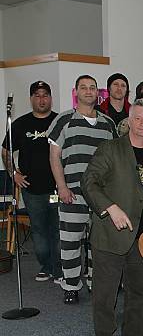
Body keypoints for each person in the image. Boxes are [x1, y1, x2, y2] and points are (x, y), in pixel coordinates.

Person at [81, 98, 143, 336]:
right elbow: (88, 183)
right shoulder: (109, 149)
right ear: (129, 120)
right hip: (110, 237)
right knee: (104, 296)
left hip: (142, 239)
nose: (142, 124)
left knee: (139, 293)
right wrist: (109, 208)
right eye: (138, 118)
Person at [47, 75, 118, 304]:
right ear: (76, 92)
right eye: (83, 87)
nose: (88, 91)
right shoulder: (64, 120)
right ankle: (70, 285)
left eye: (92, 88)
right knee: (70, 242)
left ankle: (94, 282)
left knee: (97, 244)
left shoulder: (108, 123)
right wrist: (62, 187)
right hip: (72, 194)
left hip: (100, 197)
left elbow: (115, 160)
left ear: (99, 93)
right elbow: (55, 156)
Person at [1, 81, 60, 282]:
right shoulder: (20, 124)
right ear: (31, 99)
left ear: (50, 98)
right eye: (37, 95)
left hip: (57, 190)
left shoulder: (60, 121)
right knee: (40, 232)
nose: (41, 99)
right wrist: (13, 173)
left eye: (45, 95)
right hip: (32, 191)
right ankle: (46, 265)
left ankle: (59, 269)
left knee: (58, 229)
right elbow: (5, 151)